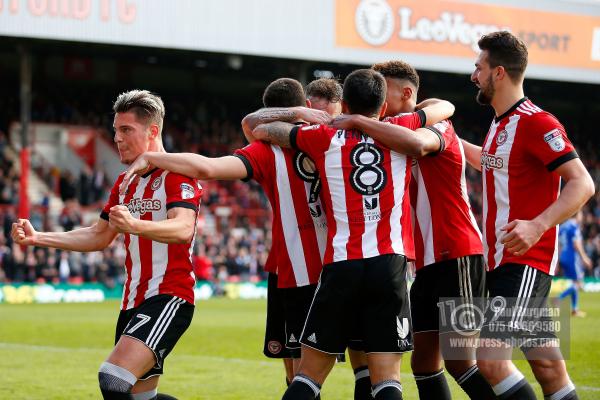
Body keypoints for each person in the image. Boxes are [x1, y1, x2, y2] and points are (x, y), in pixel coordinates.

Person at [120, 79, 332, 395]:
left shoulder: (265, 150)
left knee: (299, 375)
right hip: (338, 261)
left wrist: (154, 158)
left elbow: (210, 165)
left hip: (293, 269)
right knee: (366, 368)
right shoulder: (332, 137)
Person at [252, 68, 441, 400]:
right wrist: (365, 123)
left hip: (341, 264)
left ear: (345, 104)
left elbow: (262, 128)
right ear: (382, 107)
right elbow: (443, 108)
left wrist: (304, 116)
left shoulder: (322, 137)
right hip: (389, 264)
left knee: (307, 378)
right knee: (388, 380)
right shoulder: (400, 127)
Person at [12, 90, 201, 400]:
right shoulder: (125, 181)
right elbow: (99, 235)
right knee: (141, 398)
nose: (117, 138)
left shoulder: (177, 173)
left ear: (153, 131)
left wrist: (134, 225)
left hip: (169, 296)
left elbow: (183, 228)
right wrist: (39, 238)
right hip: (132, 301)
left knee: (112, 379)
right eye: (115, 130)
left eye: (126, 130)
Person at [460, 31, 595, 400]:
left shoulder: (537, 122)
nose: (474, 74)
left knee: (489, 361)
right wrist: (446, 139)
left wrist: (538, 225)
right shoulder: (499, 125)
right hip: (501, 260)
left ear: (498, 73)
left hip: (524, 261)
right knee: (548, 365)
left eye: (479, 67)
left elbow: (582, 184)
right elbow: (488, 162)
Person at [362, 60, 495, 400]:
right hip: (428, 264)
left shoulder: (438, 128)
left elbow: (418, 144)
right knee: (423, 361)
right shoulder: (394, 129)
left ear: (406, 93)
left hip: (458, 254)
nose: (378, 95)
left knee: (461, 362)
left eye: (384, 88)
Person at [557, 211, 593, 317]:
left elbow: (559, 244)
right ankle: (559, 299)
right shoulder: (574, 226)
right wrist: (585, 258)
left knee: (574, 283)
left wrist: (558, 260)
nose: (582, 217)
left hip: (563, 256)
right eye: (581, 214)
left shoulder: (563, 226)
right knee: (578, 283)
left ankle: (575, 310)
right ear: (577, 215)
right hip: (572, 257)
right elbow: (576, 243)